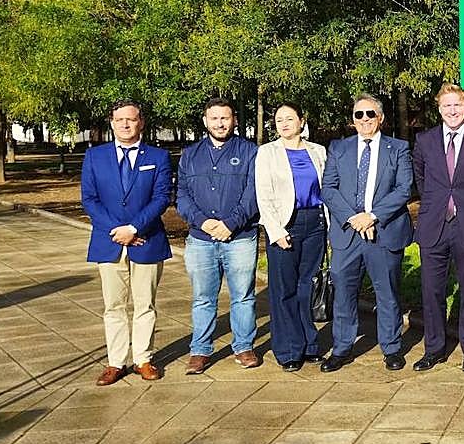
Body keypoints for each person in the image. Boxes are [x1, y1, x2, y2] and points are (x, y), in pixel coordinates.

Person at [80, 100, 172, 385]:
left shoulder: (158, 156)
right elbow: (89, 199)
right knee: (114, 306)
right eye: (119, 120)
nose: (125, 124)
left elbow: (161, 197)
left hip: (147, 239)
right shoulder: (95, 156)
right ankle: (116, 362)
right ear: (112, 122)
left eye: (131, 119)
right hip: (109, 242)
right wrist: (117, 230)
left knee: (145, 304)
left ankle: (143, 359)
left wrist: (133, 227)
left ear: (140, 122)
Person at [320, 95, 414, 373]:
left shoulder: (398, 148)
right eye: (358, 115)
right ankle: (342, 348)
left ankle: (392, 347)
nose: (364, 119)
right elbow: (329, 188)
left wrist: (372, 217)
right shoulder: (338, 148)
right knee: (344, 295)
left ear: (381, 117)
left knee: (387, 293)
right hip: (347, 234)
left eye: (370, 114)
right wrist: (354, 218)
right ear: (352, 119)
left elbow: (404, 189)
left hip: (383, 232)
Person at [411, 83, 464, 373]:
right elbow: (421, 180)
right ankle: (434, 349)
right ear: (439, 108)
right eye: (446, 105)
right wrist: (439, 203)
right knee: (431, 290)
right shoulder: (424, 140)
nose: (452, 110)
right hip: (434, 224)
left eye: (457, 105)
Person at [175, 97, 260, 374]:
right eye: (214, 118)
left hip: (240, 237)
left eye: (225, 118)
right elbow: (182, 196)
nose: (220, 123)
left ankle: (244, 346)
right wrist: (204, 222)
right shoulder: (190, 154)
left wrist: (231, 223)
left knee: (243, 296)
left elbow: (253, 193)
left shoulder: (250, 152)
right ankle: (200, 350)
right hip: (201, 239)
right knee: (202, 297)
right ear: (205, 121)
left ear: (234, 120)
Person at [255, 103, 327, 372]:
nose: (284, 124)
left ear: (302, 120)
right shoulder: (267, 153)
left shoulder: (317, 151)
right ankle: (288, 350)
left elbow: (326, 189)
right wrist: (275, 231)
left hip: (315, 223)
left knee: (306, 286)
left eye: (289, 118)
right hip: (285, 224)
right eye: (279, 120)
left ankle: (309, 344)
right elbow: (264, 195)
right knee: (284, 289)